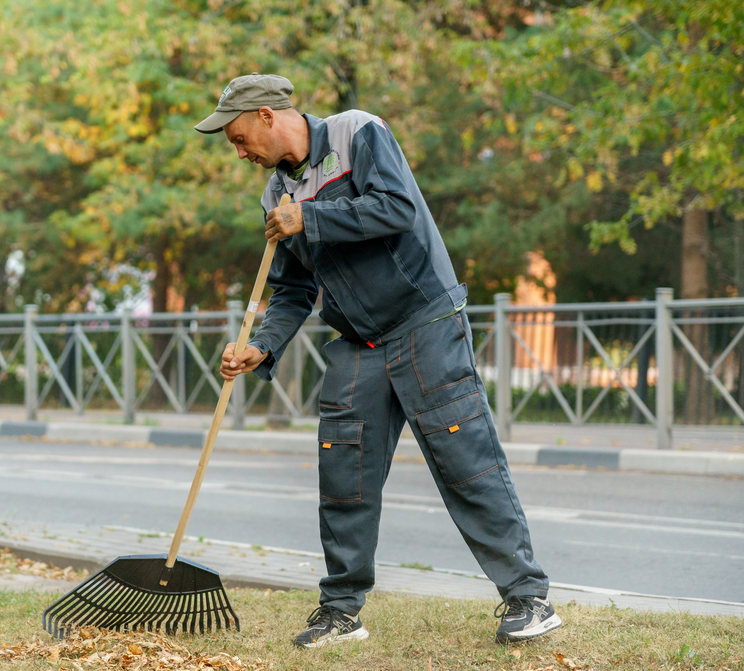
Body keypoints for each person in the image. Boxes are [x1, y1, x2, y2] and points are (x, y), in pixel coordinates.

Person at [196, 73, 562, 648]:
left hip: (425, 323)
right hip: (357, 342)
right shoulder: (276, 195)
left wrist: (309, 218)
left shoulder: (356, 133)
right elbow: (293, 289)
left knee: (466, 463)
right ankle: (341, 611)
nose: (238, 151)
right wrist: (261, 346)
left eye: (239, 137)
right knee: (343, 476)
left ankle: (528, 598)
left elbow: (395, 208)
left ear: (267, 115)